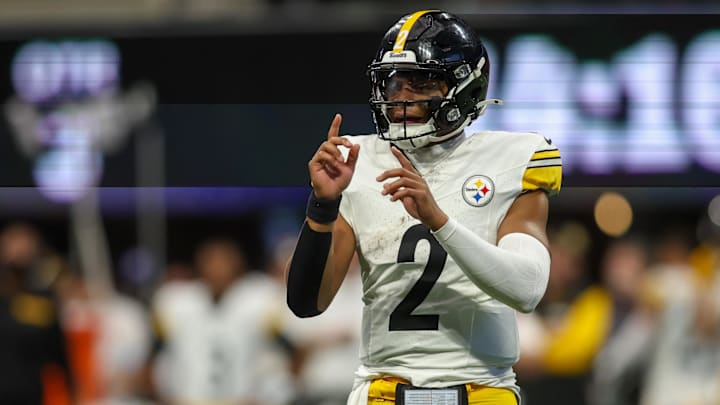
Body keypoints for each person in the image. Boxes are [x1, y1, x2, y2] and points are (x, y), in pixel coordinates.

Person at [286, 10, 562, 405]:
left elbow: (528, 289)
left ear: (466, 86)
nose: (402, 97)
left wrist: (439, 221)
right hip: (382, 391)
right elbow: (306, 303)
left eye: (423, 81)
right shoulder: (359, 159)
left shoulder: (514, 157)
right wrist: (323, 205)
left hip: (483, 388)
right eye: (395, 82)